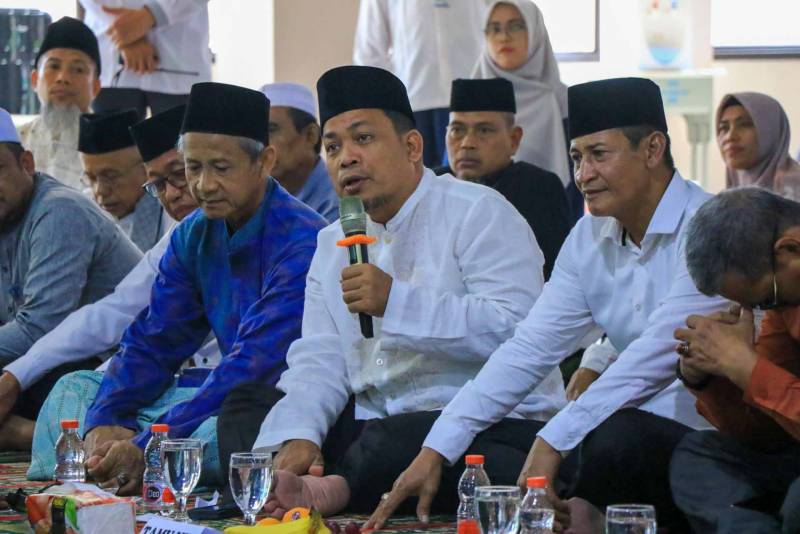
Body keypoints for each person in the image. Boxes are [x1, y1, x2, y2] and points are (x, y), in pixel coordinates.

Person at [368, 77, 727, 532]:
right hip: (604, 429)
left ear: (653, 149)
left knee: (613, 438)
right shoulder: (588, 236)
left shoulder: (708, 227)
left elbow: (653, 356)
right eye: (576, 158)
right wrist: (435, 450)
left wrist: (555, 440)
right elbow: (529, 348)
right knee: (475, 441)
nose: (583, 175)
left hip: (701, 439)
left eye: (599, 155)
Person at [216, 65, 564, 518]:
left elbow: (518, 331)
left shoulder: (479, 213)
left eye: (363, 138)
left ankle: (326, 491)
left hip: (483, 424)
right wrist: (300, 433)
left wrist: (396, 303)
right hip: (375, 421)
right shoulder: (332, 242)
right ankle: (284, 488)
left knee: (393, 441)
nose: (346, 158)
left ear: (412, 147)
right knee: (246, 407)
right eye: (333, 147)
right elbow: (320, 356)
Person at [28, 82, 325, 493]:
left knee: (230, 430)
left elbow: (255, 365)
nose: (203, 185)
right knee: (75, 389)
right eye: (193, 167)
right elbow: (156, 337)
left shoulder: (304, 240)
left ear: (264, 162)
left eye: (220, 168)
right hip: (212, 390)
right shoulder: (194, 234)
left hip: (268, 397)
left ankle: (121, 464)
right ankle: (110, 461)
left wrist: (144, 443)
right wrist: (108, 417)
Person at [7, 106, 213, 472]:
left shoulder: (59, 211)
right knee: (72, 390)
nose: (172, 194)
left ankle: (35, 437)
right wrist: (15, 376)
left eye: (180, 174)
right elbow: (118, 312)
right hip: (166, 377)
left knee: (218, 427)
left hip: (228, 386)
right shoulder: (181, 237)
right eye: (158, 184)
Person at [0, 107, 141, 451]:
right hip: (46, 362)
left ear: (27, 164)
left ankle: (28, 435)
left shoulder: (59, 211)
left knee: (55, 380)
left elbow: (38, 328)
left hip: (112, 365)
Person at [671, 188, 800, 533]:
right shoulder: (786, 297)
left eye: (765, 300)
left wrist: (747, 367)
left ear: (789, 249)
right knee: (697, 456)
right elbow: (767, 436)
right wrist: (710, 377)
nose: (761, 313)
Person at [435, 77, 570, 280]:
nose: (467, 143)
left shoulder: (539, 188)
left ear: (514, 139)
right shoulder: (432, 185)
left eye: (484, 130)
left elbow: (552, 275)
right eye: (457, 130)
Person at [353, 0, 486, 168]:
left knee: (474, 179)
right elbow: (370, 52)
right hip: (412, 104)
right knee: (416, 178)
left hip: (474, 100)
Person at [473, 0, 569, 191]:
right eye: (494, 28)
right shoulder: (471, 98)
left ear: (535, 32)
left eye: (516, 26)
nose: (504, 37)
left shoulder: (562, 99)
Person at [78, 0, 211, 118]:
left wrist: (152, 15)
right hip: (112, 60)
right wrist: (126, 29)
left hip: (180, 63)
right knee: (111, 138)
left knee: (181, 138)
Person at [17, 16, 101, 191]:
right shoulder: (15, 143)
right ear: (34, 79)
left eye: (78, 70)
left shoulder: (114, 150)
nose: (63, 78)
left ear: (95, 86)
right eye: (54, 67)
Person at [78, 108, 173, 251]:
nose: (100, 190)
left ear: (146, 171)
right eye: (91, 178)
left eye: (110, 176)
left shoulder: (173, 211)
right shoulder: (84, 212)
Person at [260, 82, 339, 223]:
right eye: (258, 134)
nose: (262, 144)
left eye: (271, 130)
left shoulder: (336, 204)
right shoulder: (259, 198)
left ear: (310, 135)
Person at [717, 92, 800, 201]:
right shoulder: (729, 196)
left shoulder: (793, 191)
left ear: (771, 131)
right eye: (724, 128)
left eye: (744, 124)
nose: (730, 137)